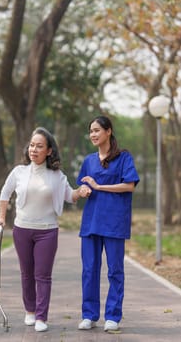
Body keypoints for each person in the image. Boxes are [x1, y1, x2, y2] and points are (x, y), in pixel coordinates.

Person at [0, 127, 90, 333]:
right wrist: (2, 217)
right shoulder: (18, 172)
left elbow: (69, 196)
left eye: (39, 146)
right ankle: (29, 311)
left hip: (47, 231)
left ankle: (41, 316)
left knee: (43, 275)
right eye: (31, 145)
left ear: (48, 151)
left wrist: (80, 192)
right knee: (26, 273)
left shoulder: (56, 175)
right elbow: (5, 193)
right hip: (22, 229)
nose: (34, 149)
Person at [77, 116, 140, 333]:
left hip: (114, 222)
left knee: (115, 270)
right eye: (90, 131)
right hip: (91, 223)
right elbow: (82, 188)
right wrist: (83, 191)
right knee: (89, 270)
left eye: (96, 130)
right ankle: (89, 315)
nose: (93, 134)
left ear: (109, 131)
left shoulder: (124, 157)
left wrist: (100, 186)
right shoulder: (88, 161)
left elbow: (129, 186)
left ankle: (112, 316)